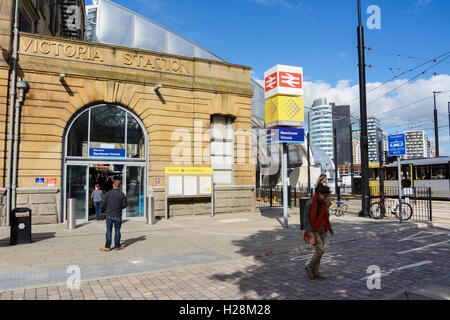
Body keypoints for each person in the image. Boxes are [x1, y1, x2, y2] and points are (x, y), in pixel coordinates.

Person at [303, 184, 334, 280]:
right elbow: (305, 218)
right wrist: (309, 231)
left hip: (323, 229)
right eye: (324, 196)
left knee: (318, 252)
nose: (326, 197)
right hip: (314, 230)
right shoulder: (311, 202)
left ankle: (316, 271)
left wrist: (330, 229)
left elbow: (326, 217)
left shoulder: (323, 203)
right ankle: (309, 267)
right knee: (321, 250)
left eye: (327, 196)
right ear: (319, 193)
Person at [100, 180, 127, 251]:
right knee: (117, 230)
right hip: (117, 215)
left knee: (108, 231)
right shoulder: (122, 194)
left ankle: (107, 246)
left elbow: (103, 204)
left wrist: (102, 211)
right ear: (119, 186)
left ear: (113, 185)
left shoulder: (108, 193)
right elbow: (124, 205)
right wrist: (119, 207)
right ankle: (117, 246)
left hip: (109, 214)